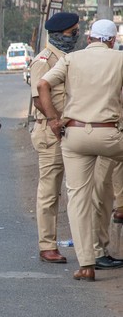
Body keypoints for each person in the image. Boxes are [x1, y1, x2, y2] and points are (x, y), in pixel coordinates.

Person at [37, 18, 123, 281]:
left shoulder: (71, 59)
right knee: (109, 178)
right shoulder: (119, 59)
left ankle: (86, 265)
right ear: (112, 40)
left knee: (77, 199)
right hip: (109, 133)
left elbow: (42, 85)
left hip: (74, 136)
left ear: (89, 39)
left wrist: (53, 119)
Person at [28, 12, 80, 264]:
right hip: (51, 132)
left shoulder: (70, 58)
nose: (76, 36)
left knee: (79, 189)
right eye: (72, 33)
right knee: (50, 190)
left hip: (73, 130)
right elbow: (38, 97)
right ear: (58, 34)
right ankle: (47, 245)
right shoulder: (44, 60)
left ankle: (85, 245)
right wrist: (54, 120)